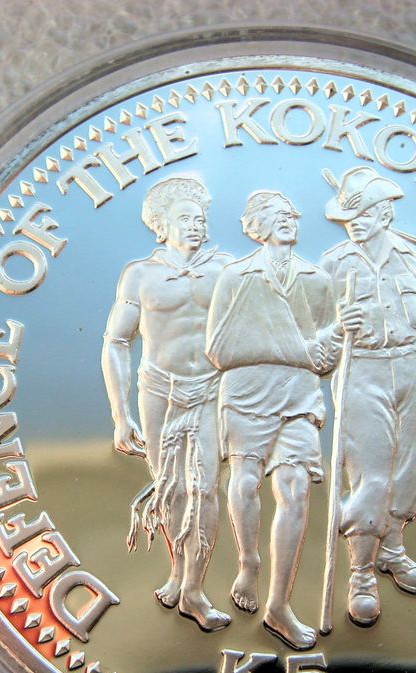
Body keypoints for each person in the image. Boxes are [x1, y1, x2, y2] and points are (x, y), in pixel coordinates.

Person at [321, 166, 416, 626]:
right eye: (349, 217)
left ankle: (392, 548)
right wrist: (337, 325)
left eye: (364, 214)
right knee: (370, 473)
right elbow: (309, 332)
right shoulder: (333, 263)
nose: (355, 223)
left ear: (385, 214)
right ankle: (361, 573)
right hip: (362, 369)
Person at [206, 190, 339, 650]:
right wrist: (298, 350)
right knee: (244, 482)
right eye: (278, 215)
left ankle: (279, 605)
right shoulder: (235, 276)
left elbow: (327, 349)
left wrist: (330, 345)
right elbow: (218, 349)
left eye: (291, 214)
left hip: (299, 394)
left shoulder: (318, 280)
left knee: (295, 488)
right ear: (257, 225)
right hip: (247, 392)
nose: (288, 220)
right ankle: (249, 562)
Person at [101, 175, 233, 631]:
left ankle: (193, 590)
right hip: (159, 390)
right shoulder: (140, 274)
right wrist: (120, 415)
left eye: (201, 218)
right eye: (185, 217)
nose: (197, 225)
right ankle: (178, 572)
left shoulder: (227, 269)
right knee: (170, 488)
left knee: (204, 488)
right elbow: (117, 341)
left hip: (213, 390)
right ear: (161, 225)